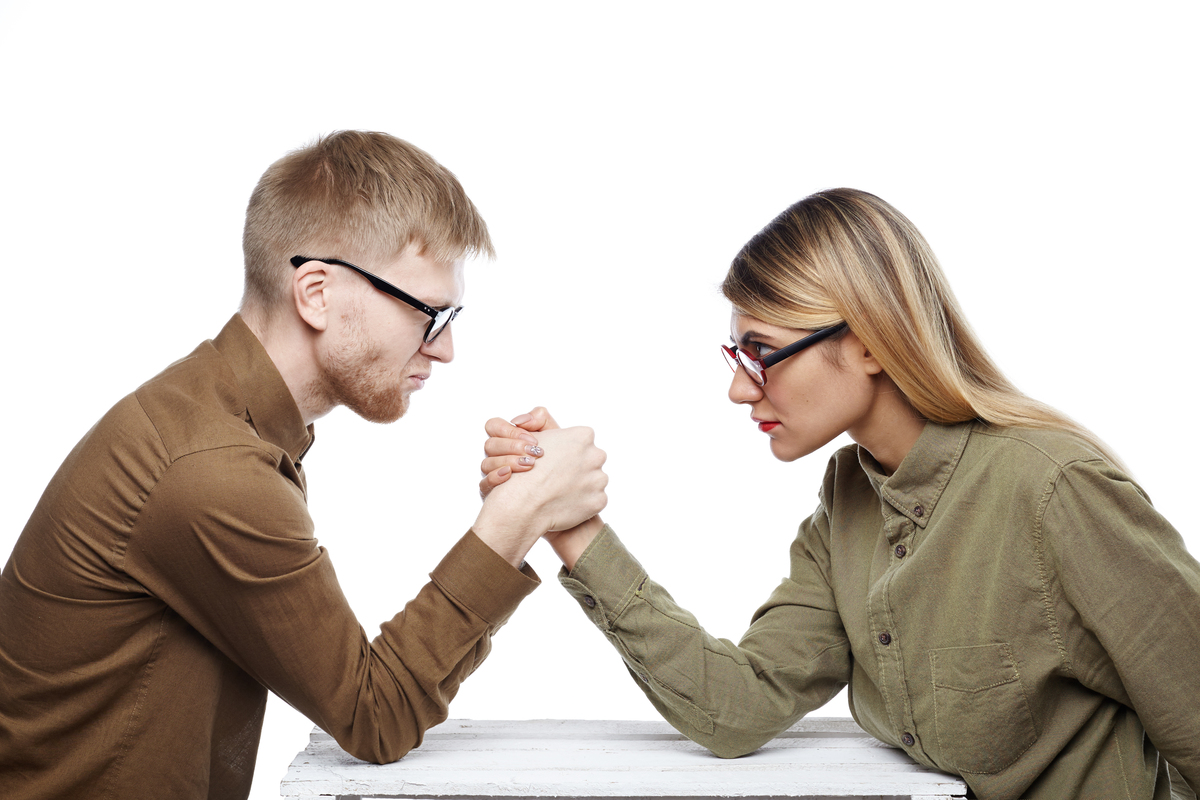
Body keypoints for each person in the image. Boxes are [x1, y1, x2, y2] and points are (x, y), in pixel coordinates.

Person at [480, 189, 1199, 799]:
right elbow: (741, 705)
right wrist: (569, 526)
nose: (738, 388)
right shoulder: (849, 497)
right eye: (737, 357)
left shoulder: (1053, 490)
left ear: (869, 344)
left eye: (761, 353)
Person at [0, 131, 607, 800]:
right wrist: (515, 519)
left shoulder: (221, 423)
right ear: (315, 293)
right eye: (429, 313)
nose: (447, 349)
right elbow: (376, 715)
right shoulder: (212, 470)